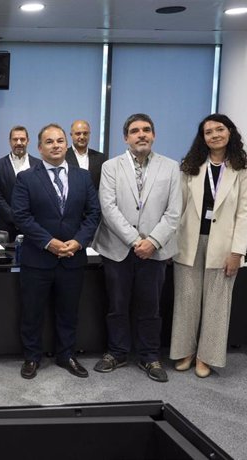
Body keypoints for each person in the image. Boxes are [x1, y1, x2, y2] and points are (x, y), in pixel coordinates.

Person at [92, 113, 181, 383]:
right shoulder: (110, 166)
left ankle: (149, 355)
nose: (141, 134)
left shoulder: (171, 167)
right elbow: (108, 207)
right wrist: (134, 240)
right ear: (125, 137)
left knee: (150, 307)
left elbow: (175, 211)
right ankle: (117, 352)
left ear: (153, 135)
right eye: (134, 131)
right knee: (117, 305)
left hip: (155, 250)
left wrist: (152, 242)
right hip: (118, 248)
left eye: (146, 130)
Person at [12, 124, 100, 380]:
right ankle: (31, 357)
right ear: (40, 148)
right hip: (38, 258)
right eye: (49, 142)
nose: (56, 145)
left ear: (66, 144)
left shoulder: (82, 177)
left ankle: (67, 355)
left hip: (72, 257)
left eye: (60, 141)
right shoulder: (26, 178)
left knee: (69, 311)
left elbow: (93, 213)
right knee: (32, 312)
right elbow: (22, 216)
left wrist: (79, 241)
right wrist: (49, 242)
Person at [170, 114, 247, 378]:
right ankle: (185, 351)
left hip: (223, 246)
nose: (214, 135)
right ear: (202, 138)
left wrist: (237, 252)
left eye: (219, 129)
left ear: (230, 132)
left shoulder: (244, 168)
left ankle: (206, 357)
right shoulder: (190, 166)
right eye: (208, 132)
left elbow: (245, 212)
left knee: (217, 304)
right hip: (189, 242)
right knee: (186, 300)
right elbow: (178, 208)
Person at [0, 125, 41, 241]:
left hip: (32, 225)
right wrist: (15, 218)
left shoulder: (38, 165)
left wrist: (27, 219)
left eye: (22, 139)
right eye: (15, 139)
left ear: (28, 141)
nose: (19, 142)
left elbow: (41, 195)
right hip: (5, 227)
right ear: (10, 141)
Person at [65, 120, 105, 189]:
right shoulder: (62, 157)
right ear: (71, 135)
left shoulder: (101, 158)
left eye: (85, 133)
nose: (82, 137)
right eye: (78, 133)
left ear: (89, 134)